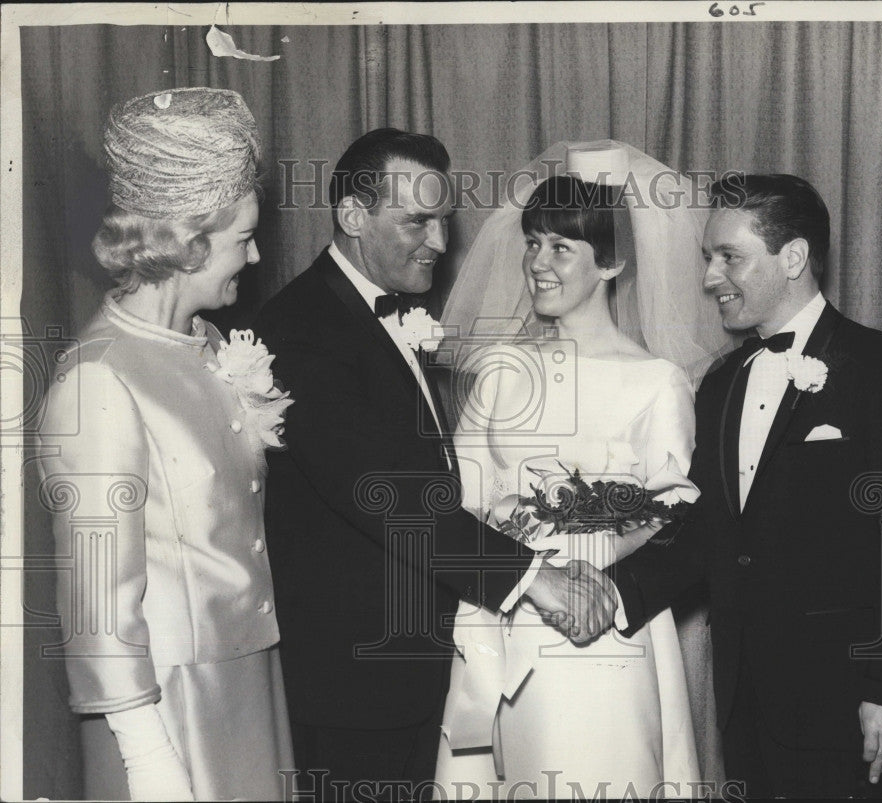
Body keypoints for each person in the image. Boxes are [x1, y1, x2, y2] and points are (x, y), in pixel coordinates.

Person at [252, 128, 608, 801]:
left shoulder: (374, 312)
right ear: (353, 216)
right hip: (354, 681)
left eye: (443, 220)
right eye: (417, 221)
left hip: (403, 667)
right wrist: (533, 576)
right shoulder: (303, 330)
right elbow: (389, 493)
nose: (441, 244)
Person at [602, 174, 882, 798]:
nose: (710, 277)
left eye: (729, 257)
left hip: (845, 697)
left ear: (793, 257)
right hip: (743, 696)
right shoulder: (720, 381)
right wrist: (604, 594)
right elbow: (707, 532)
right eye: (709, 258)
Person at [434, 143, 734, 800]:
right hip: (506, 615)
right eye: (534, 243)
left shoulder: (657, 383)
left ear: (613, 262)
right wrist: (525, 547)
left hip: (606, 626)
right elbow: (461, 495)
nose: (538, 263)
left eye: (561, 248)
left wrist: (588, 569)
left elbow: (675, 508)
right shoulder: (500, 371)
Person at [39, 87, 294, 800]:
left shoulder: (206, 345)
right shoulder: (99, 380)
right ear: (188, 241)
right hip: (165, 706)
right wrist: (146, 754)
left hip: (245, 681)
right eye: (243, 236)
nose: (256, 252)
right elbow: (95, 602)